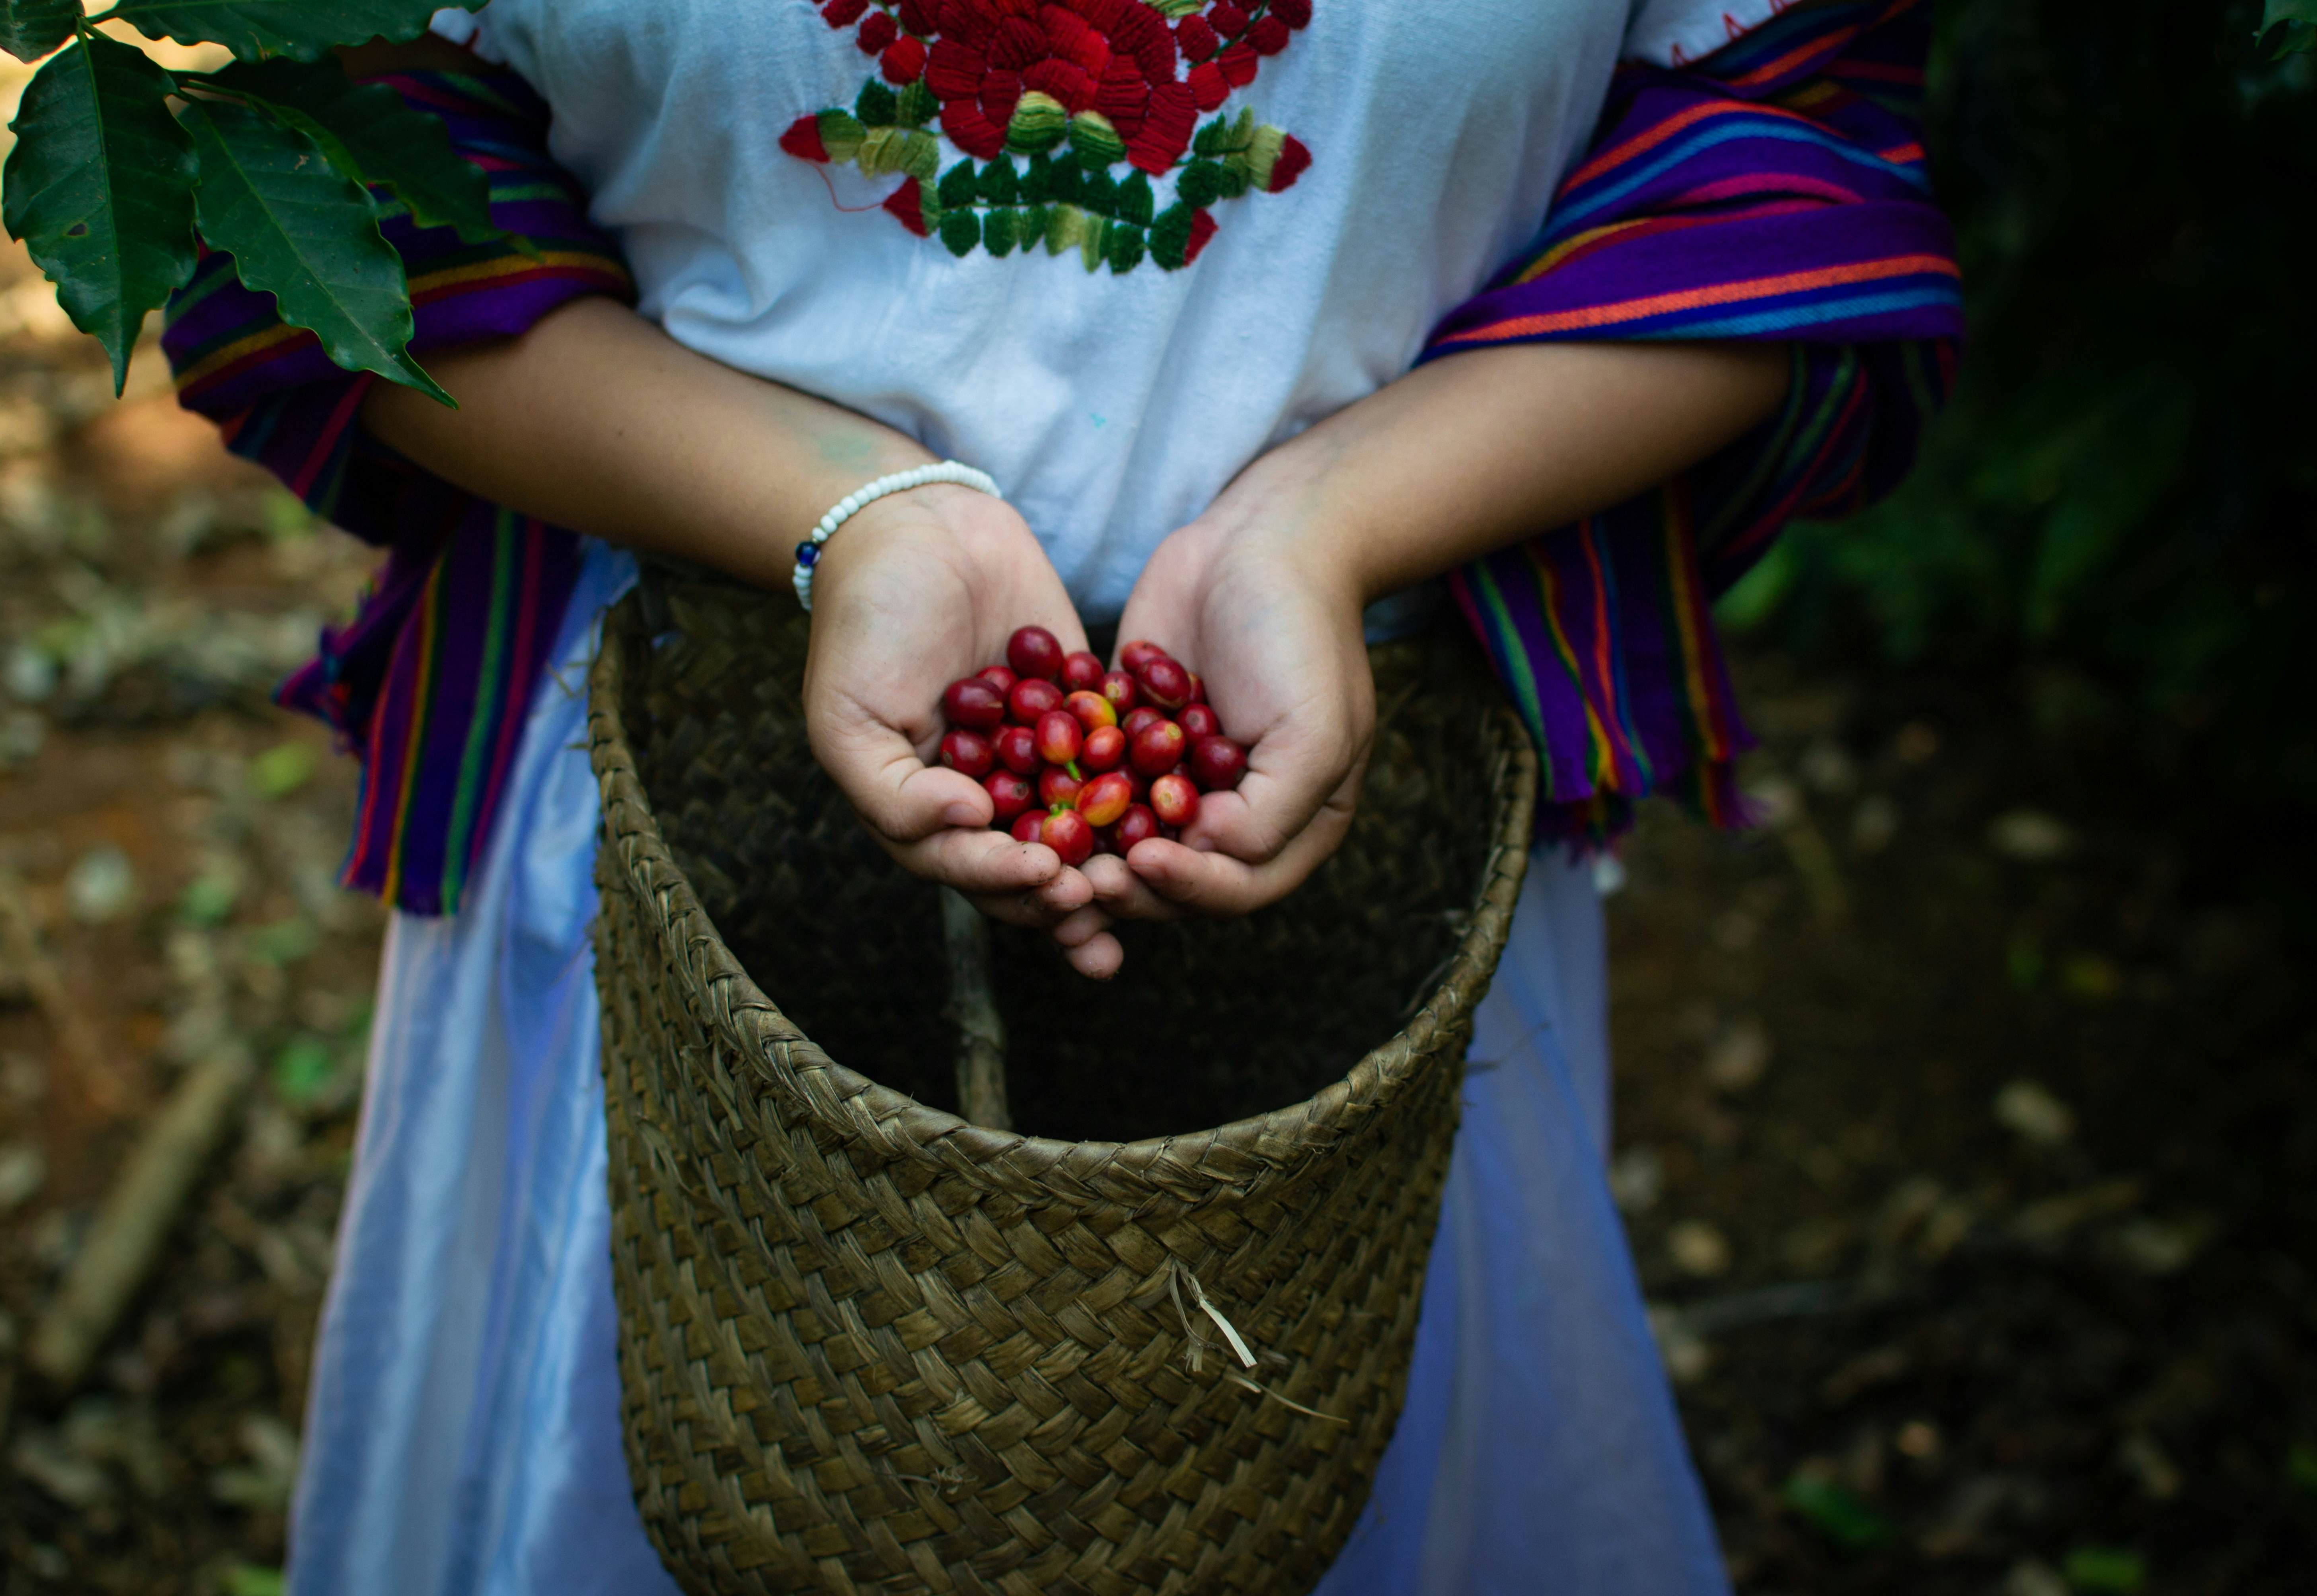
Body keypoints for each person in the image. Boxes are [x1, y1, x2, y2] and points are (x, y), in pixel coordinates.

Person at [162, 1, 1960, 1590]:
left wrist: (1333, 521)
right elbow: (326, 207)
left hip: (1372, 845)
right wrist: (845, 511)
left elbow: (1793, 164)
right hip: (661, 859)